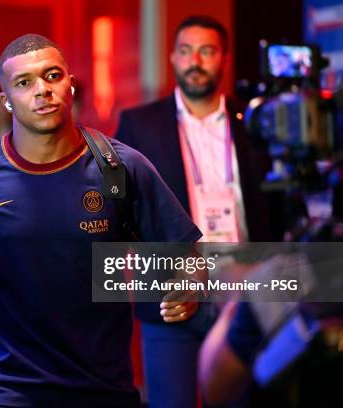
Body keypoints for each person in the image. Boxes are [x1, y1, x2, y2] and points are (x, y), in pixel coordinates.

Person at [0, 34, 202, 408]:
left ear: (71, 84)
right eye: (24, 82)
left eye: (52, 76)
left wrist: (189, 286)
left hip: (100, 391)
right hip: (2, 391)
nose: (42, 90)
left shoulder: (120, 168)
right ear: (6, 101)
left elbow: (187, 254)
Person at [115, 15, 280, 408]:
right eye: (186, 51)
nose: (195, 61)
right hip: (172, 292)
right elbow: (120, 208)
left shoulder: (258, 122)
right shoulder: (139, 125)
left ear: (223, 58)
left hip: (247, 289)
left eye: (207, 51)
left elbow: (279, 207)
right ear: (172, 57)